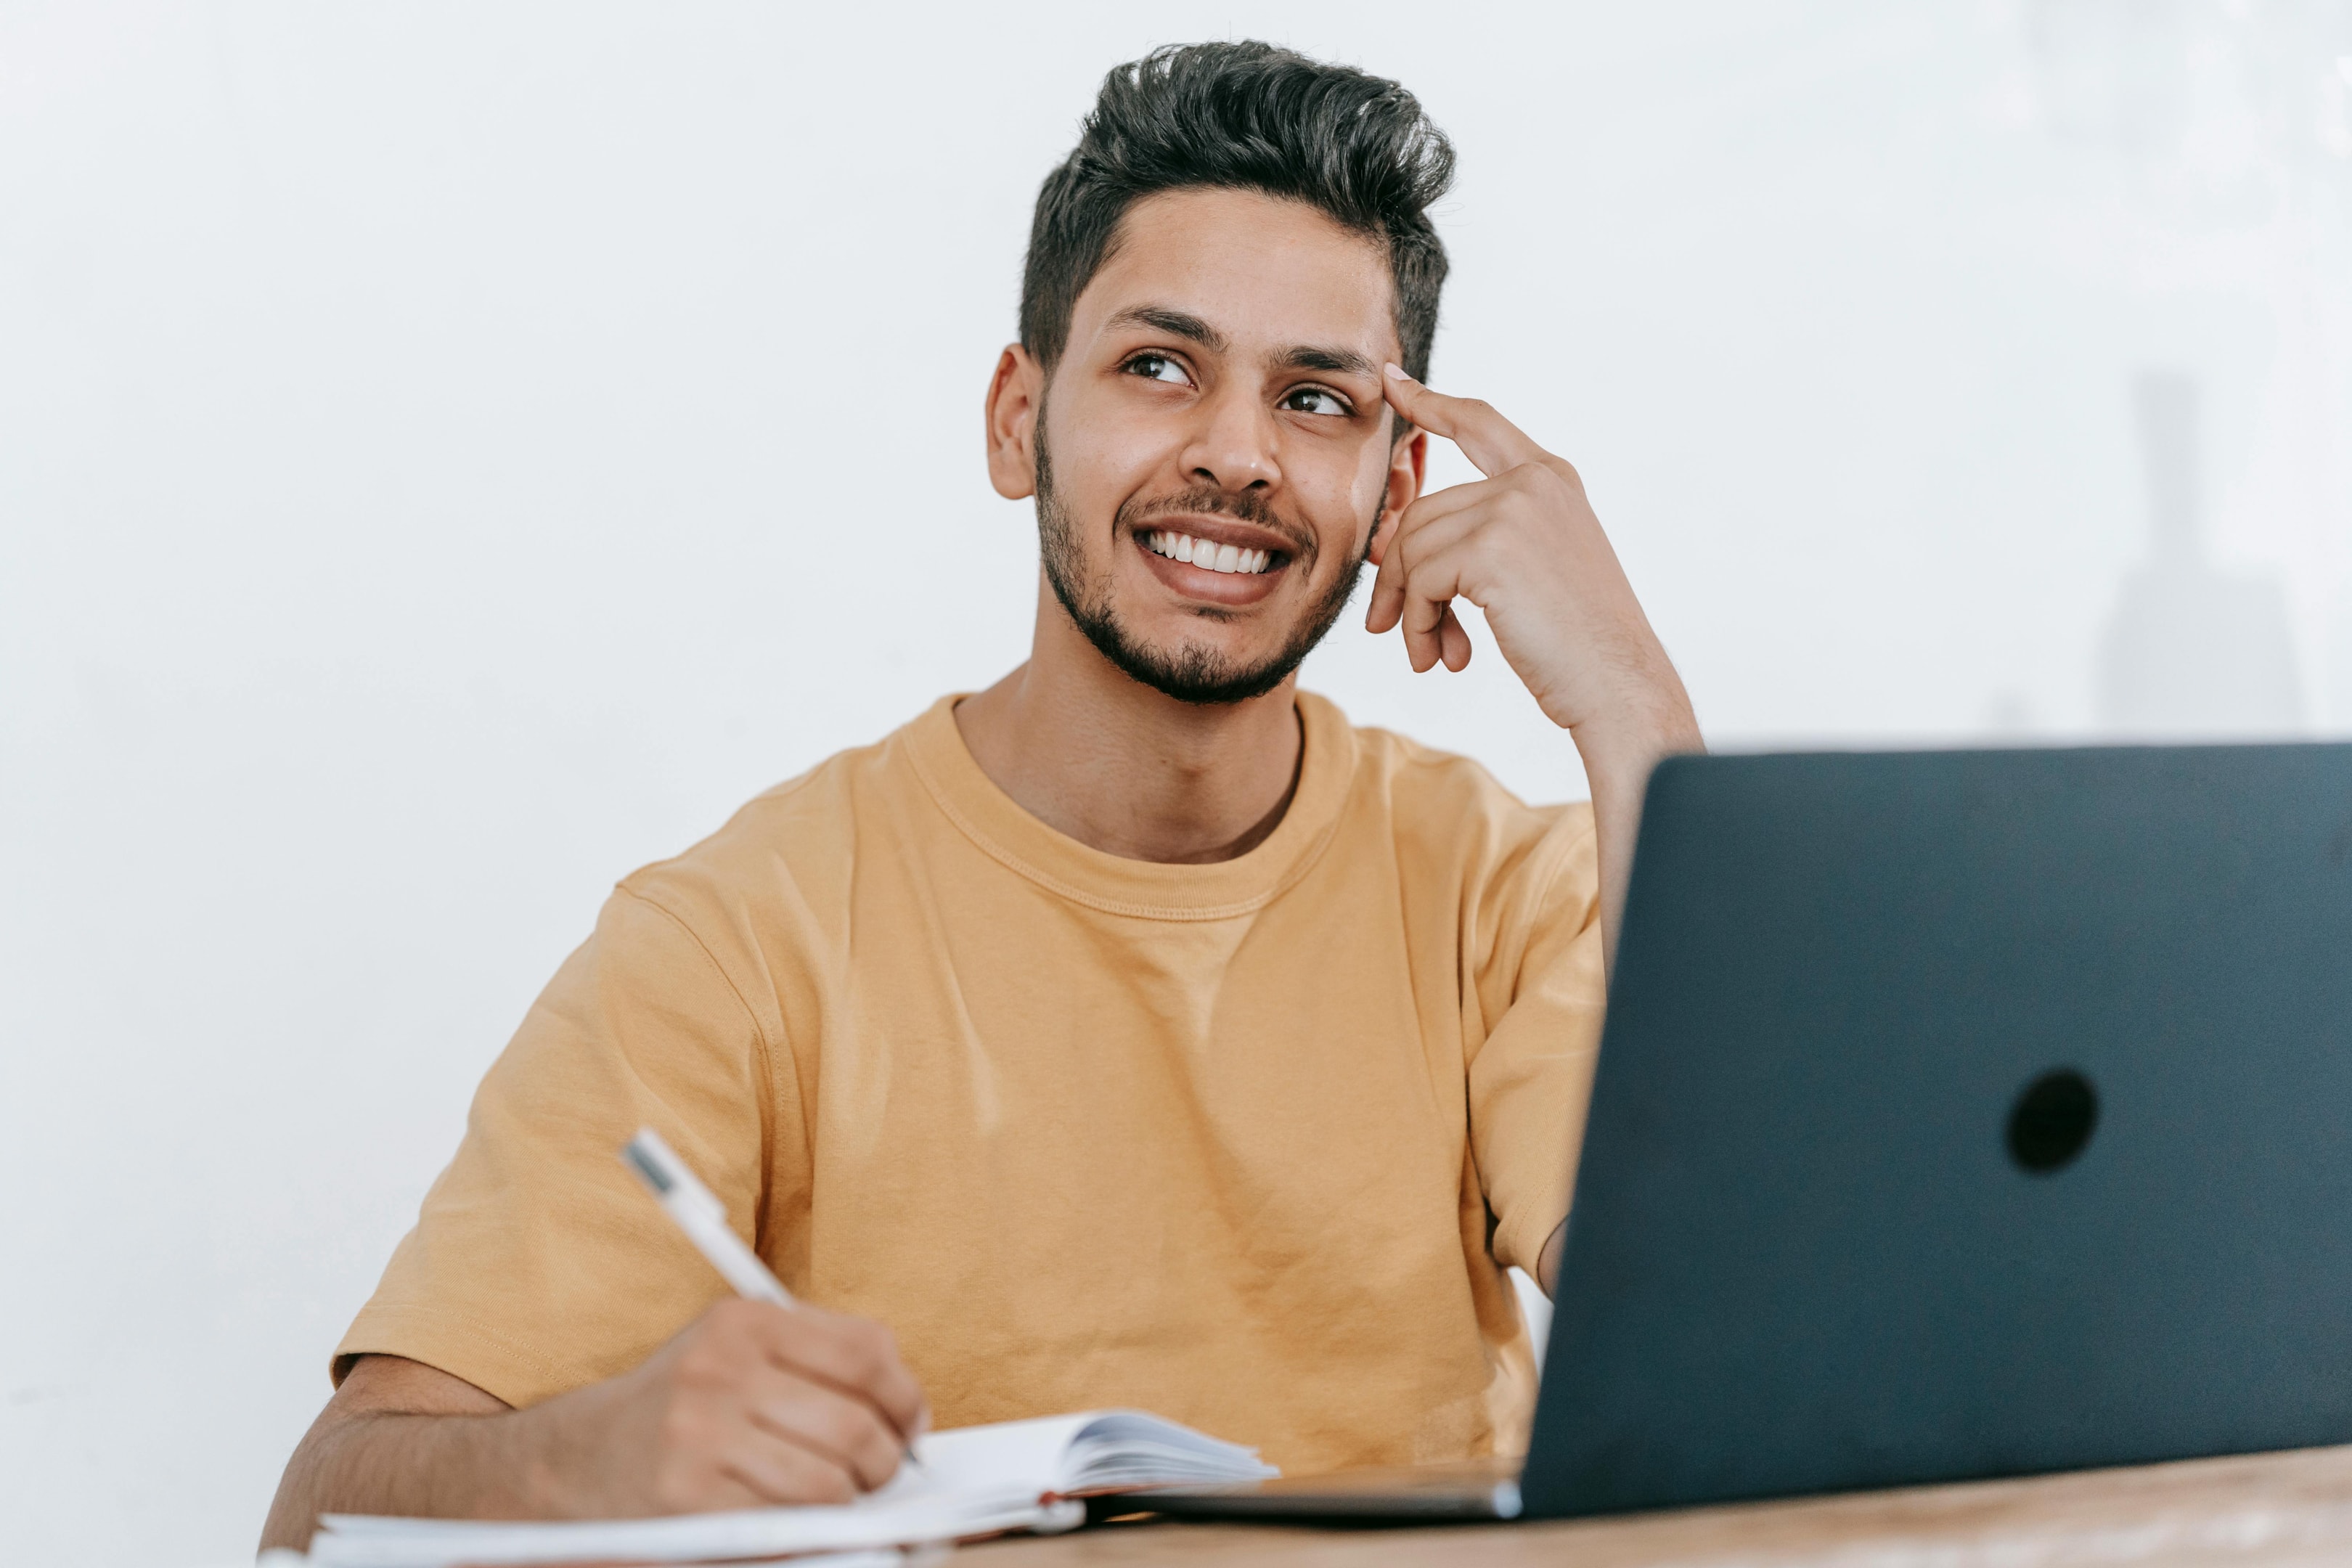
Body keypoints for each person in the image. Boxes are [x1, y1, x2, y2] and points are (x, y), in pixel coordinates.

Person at [261, 39, 1701, 1549]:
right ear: (1020, 421)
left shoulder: (1511, 892)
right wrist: (592, 1453)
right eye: (1160, 367)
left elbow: (1760, 1364)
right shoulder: (741, 939)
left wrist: (1634, 711)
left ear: (1397, 491)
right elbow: (314, 1516)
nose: (1237, 456)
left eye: (1319, 401)